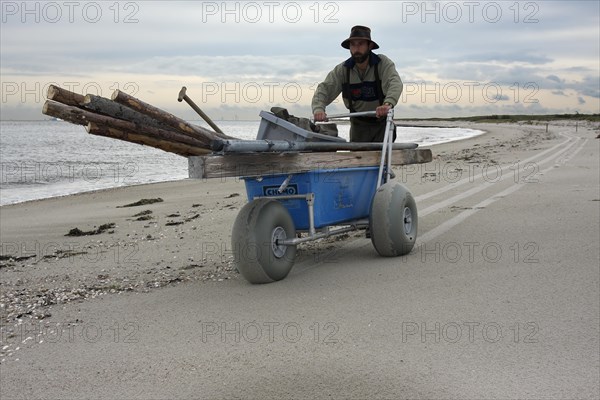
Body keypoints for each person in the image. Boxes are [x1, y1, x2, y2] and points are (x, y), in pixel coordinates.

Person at [311, 25, 403, 142]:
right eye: (353, 44)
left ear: (369, 46)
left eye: (360, 44)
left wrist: (388, 104)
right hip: (358, 126)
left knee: (382, 158)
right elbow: (324, 89)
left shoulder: (382, 63)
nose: (356, 48)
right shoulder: (343, 70)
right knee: (358, 157)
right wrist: (319, 109)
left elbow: (394, 82)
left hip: (382, 123)